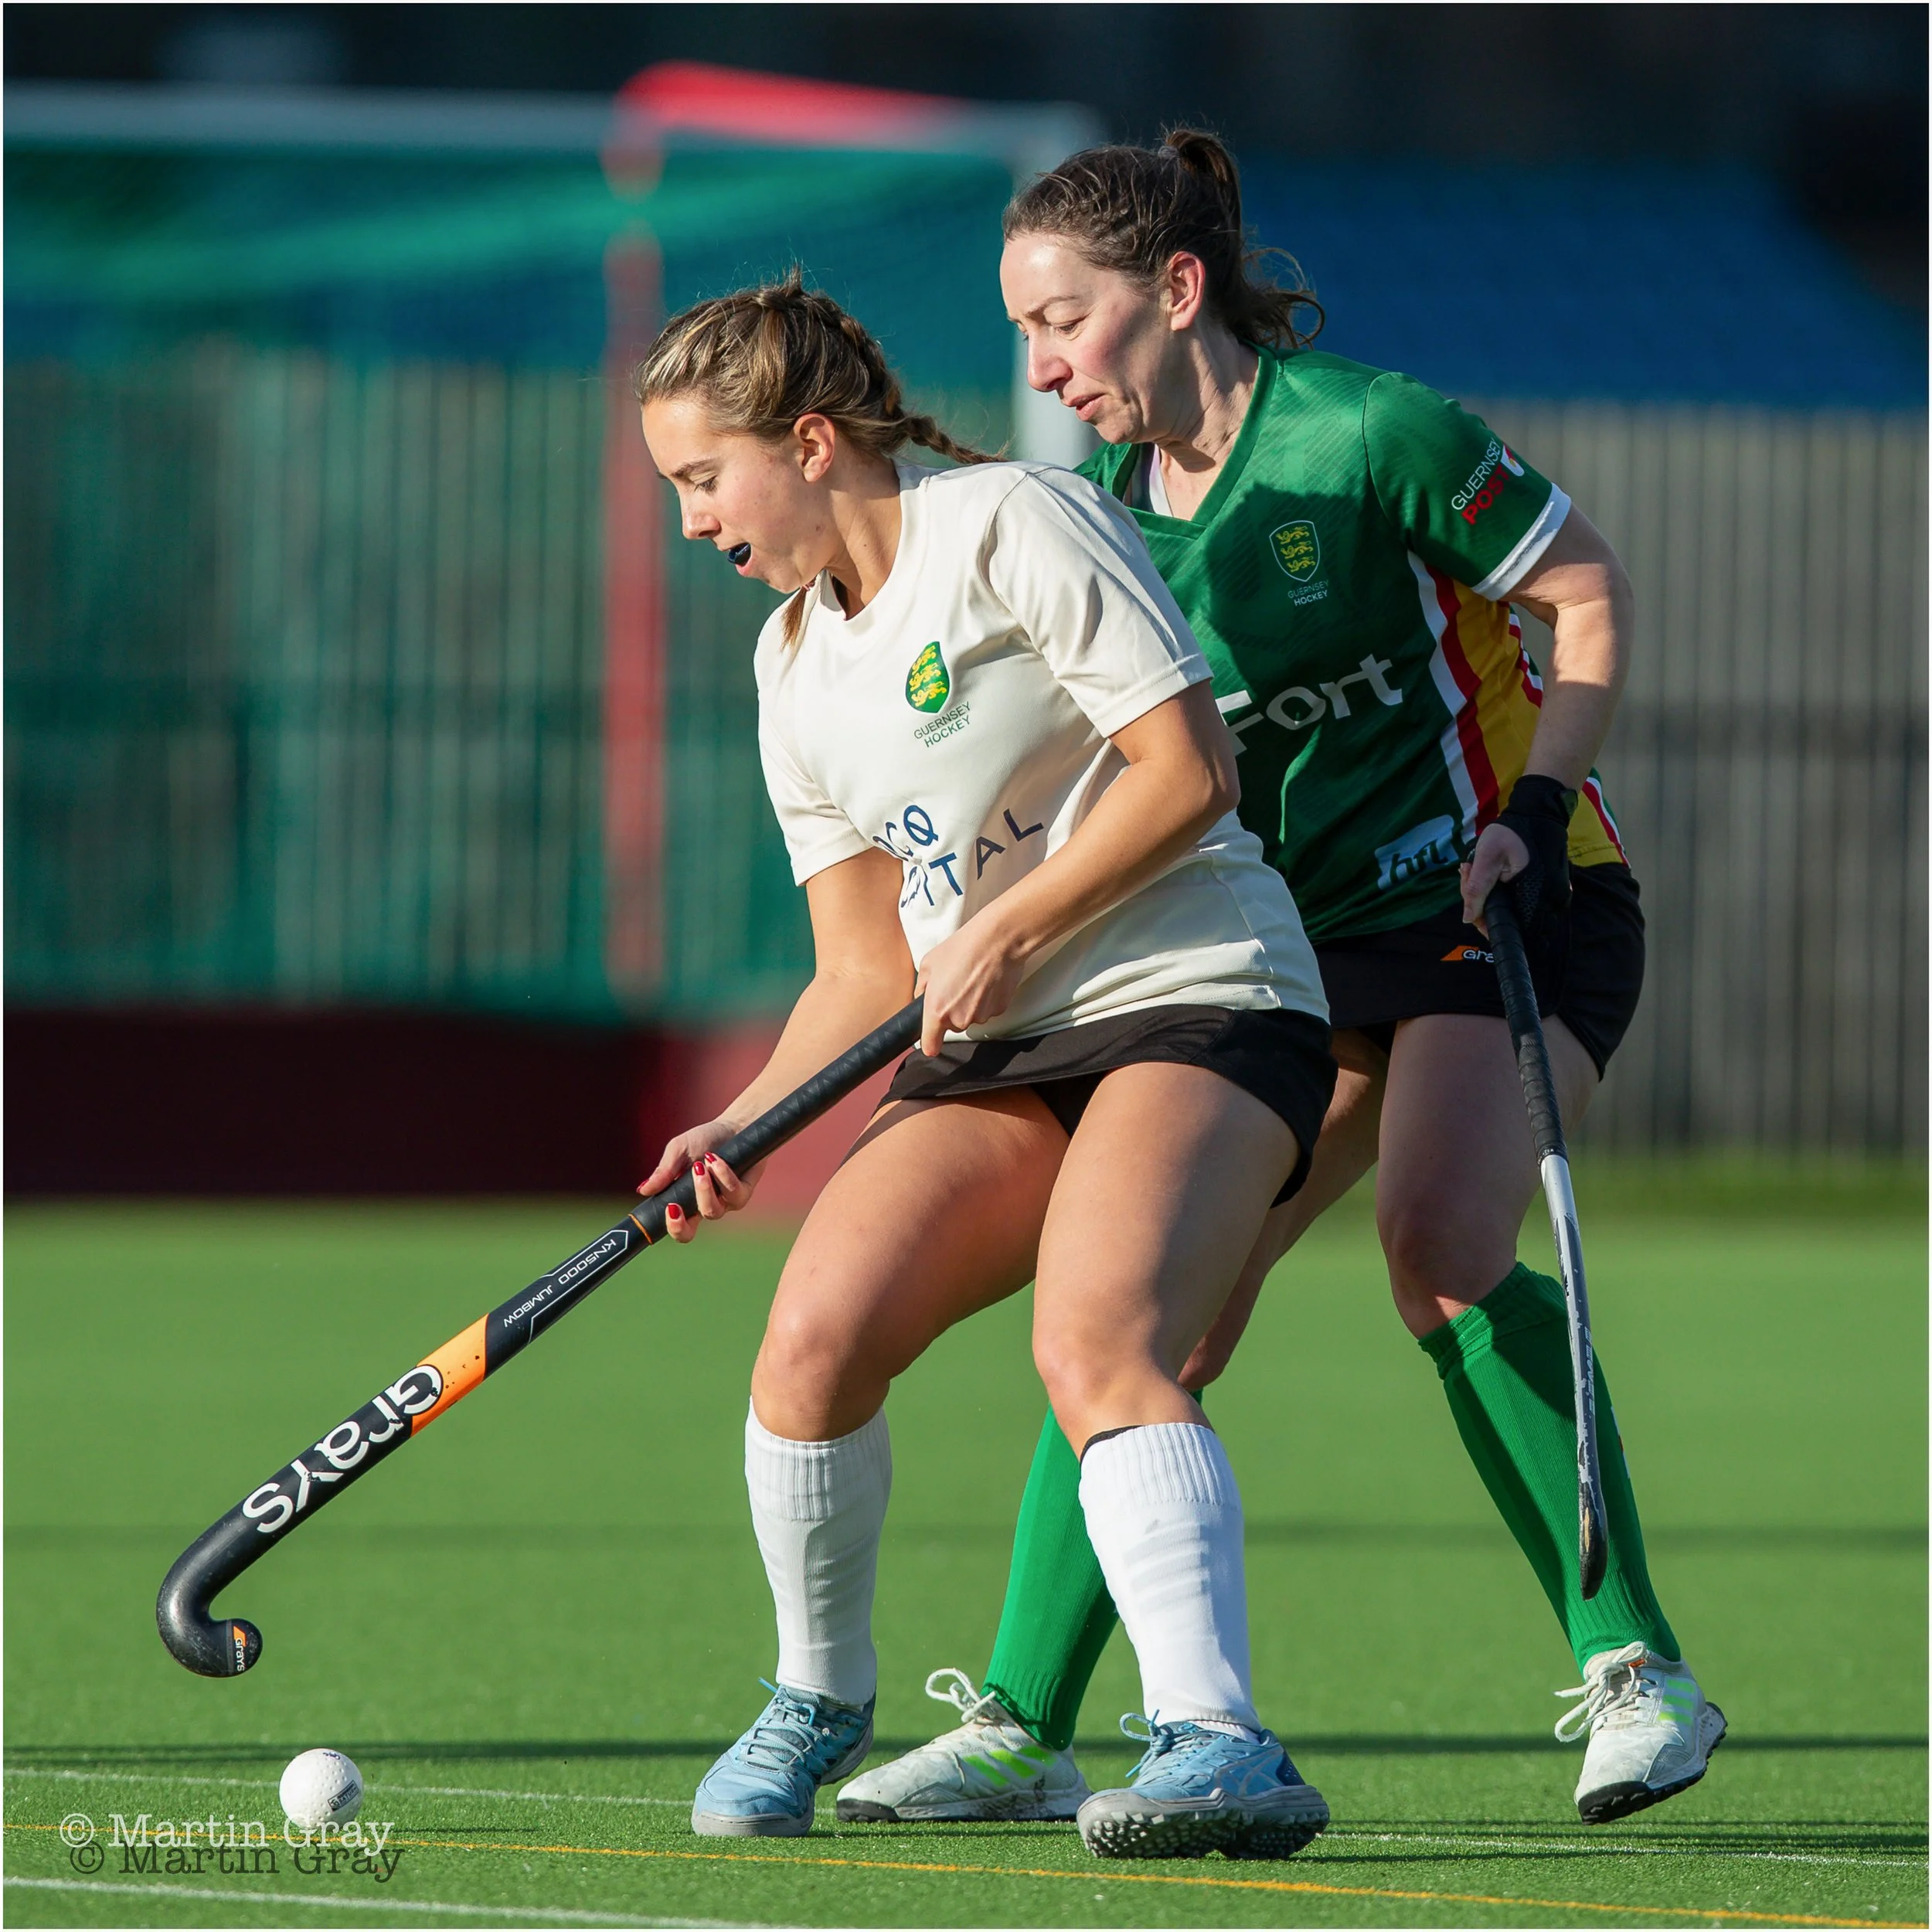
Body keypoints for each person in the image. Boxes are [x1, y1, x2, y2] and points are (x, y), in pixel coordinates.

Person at [839, 132, 1724, 1833]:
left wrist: (1538, 808)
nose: (1041, 366)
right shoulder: (1106, 523)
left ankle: (1638, 1672)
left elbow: (1586, 591)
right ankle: (1023, 1727)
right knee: (1141, 1310)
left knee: (1438, 1240)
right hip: (1292, 954)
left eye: (1063, 321)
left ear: (1178, 291)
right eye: (1022, 331)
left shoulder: (1370, 434)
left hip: (1496, 895)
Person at [633, 272, 1343, 1861]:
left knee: (1098, 1340)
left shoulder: (1016, 520)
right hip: (999, 1042)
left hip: (1195, 990)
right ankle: (817, 1696)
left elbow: (1188, 771)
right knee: (810, 1341)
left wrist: (1013, 923)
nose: (692, 521)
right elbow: (862, 970)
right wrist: (741, 1123)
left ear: (809, 441)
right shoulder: (789, 664)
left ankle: (1217, 1740)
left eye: (703, 477)